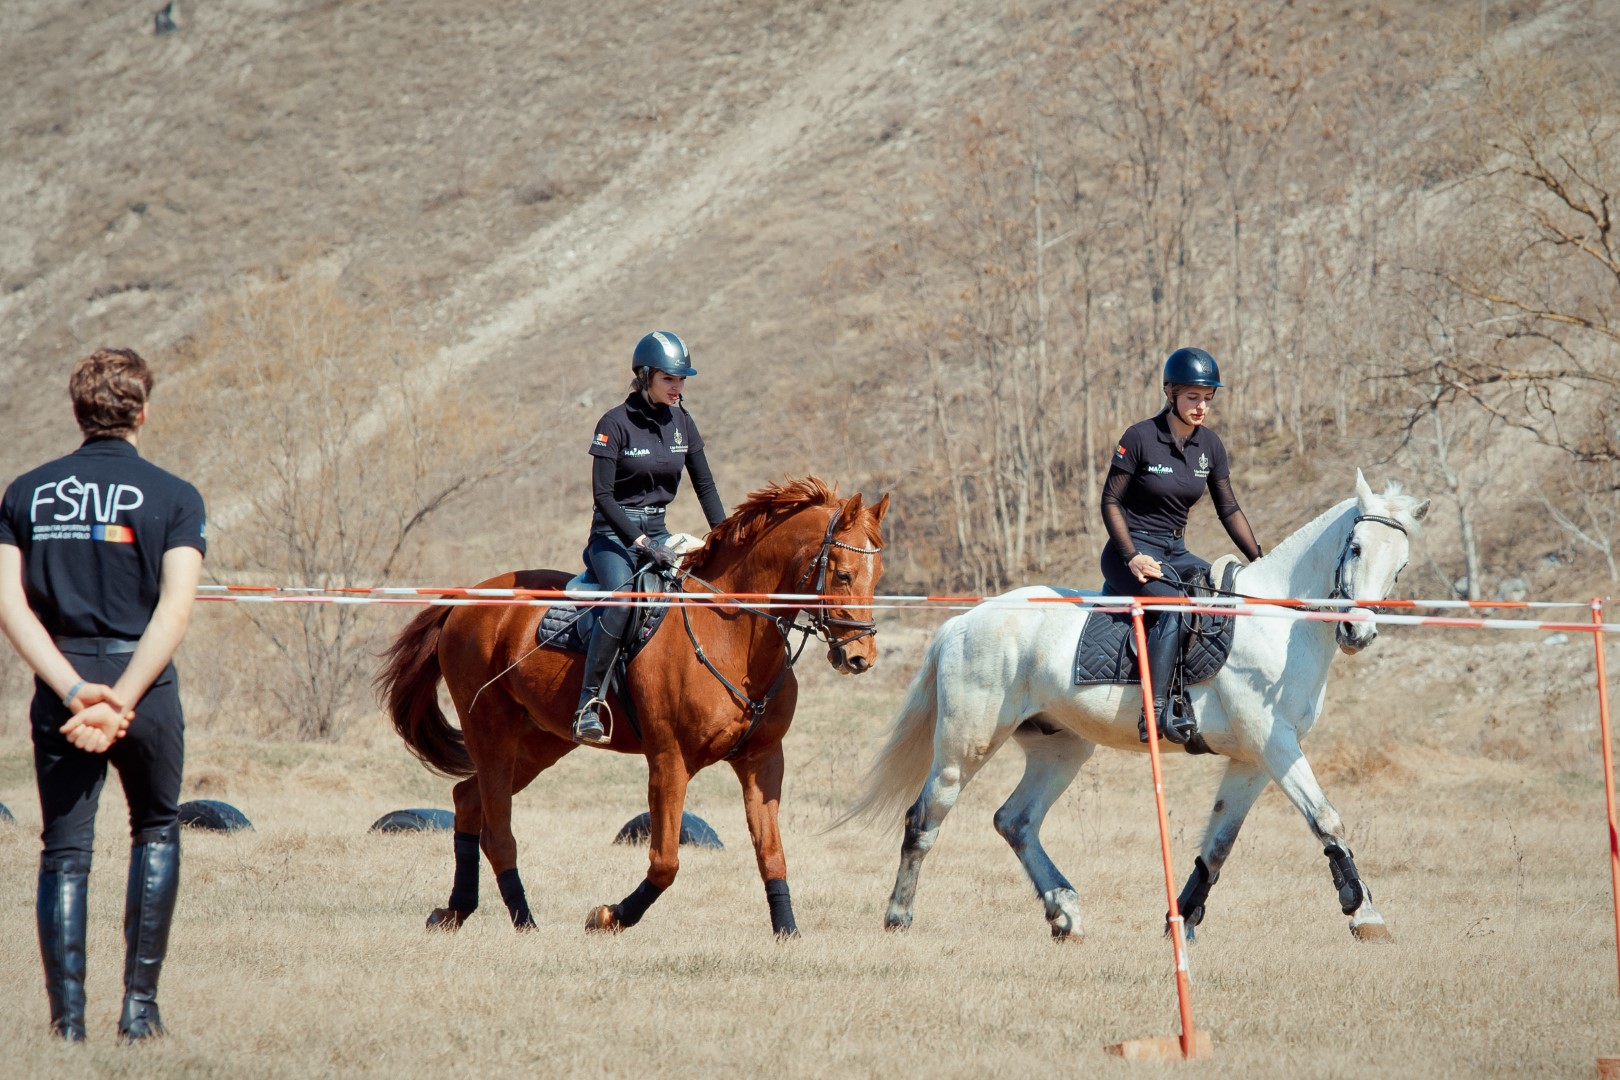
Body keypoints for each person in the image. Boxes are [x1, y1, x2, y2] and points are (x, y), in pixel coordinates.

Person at [0, 348, 205, 1042]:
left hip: (63, 687)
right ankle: (139, 1013)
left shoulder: (26, 493)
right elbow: (175, 610)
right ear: (142, 411)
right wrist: (121, 699)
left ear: (76, 410)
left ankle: (67, 1026)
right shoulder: (176, 496)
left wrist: (74, 690)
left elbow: (10, 606)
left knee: (64, 850)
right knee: (156, 829)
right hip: (143, 686)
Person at [572, 331, 727, 745]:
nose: (678, 388)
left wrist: (728, 536)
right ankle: (588, 704)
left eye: (681, 380)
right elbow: (603, 497)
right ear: (644, 377)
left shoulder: (683, 423)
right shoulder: (613, 423)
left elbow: (705, 486)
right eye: (668, 379)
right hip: (613, 537)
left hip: (660, 532)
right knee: (624, 603)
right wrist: (640, 543)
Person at [1100, 347, 1261, 744]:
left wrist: (1259, 560)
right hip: (1130, 551)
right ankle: (1153, 712)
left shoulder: (1211, 446)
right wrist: (1131, 556)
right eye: (1192, 397)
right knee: (1175, 606)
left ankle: (1201, 692)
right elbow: (1110, 501)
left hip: (1176, 551)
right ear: (1170, 393)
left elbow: (1229, 509)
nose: (1201, 406)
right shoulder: (1140, 437)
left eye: (1208, 397)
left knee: (1219, 596)